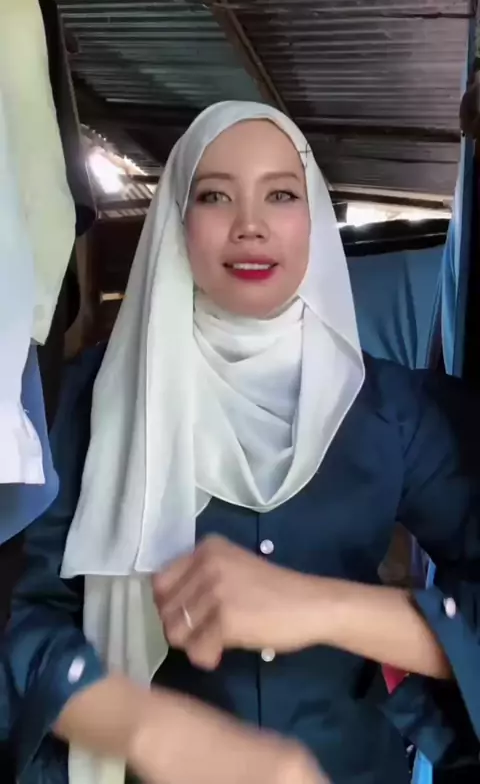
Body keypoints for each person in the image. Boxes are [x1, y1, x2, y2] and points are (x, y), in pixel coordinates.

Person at [3, 101, 480, 784]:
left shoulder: (392, 410)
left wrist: (326, 607)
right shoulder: (94, 400)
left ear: (313, 218)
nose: (250, 225)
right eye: (215, 196)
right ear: (177, 218)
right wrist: (143, 726)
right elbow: (24, 613)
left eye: (280, 195)